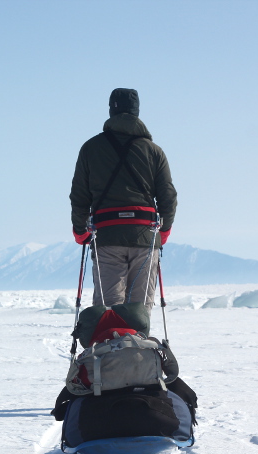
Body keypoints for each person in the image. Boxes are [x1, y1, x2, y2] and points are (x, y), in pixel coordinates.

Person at [70, 88, 177, 312]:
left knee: (108, 309)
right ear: (137, 112)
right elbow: (168, 196)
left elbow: (80, 195)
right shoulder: (154, 151)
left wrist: (81, 231)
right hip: (145, 237)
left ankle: (110, 342)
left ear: (111, 110)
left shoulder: (90, 149)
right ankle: (137, 343)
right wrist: (163, 231)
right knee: (139, 310)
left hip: (107, 237)